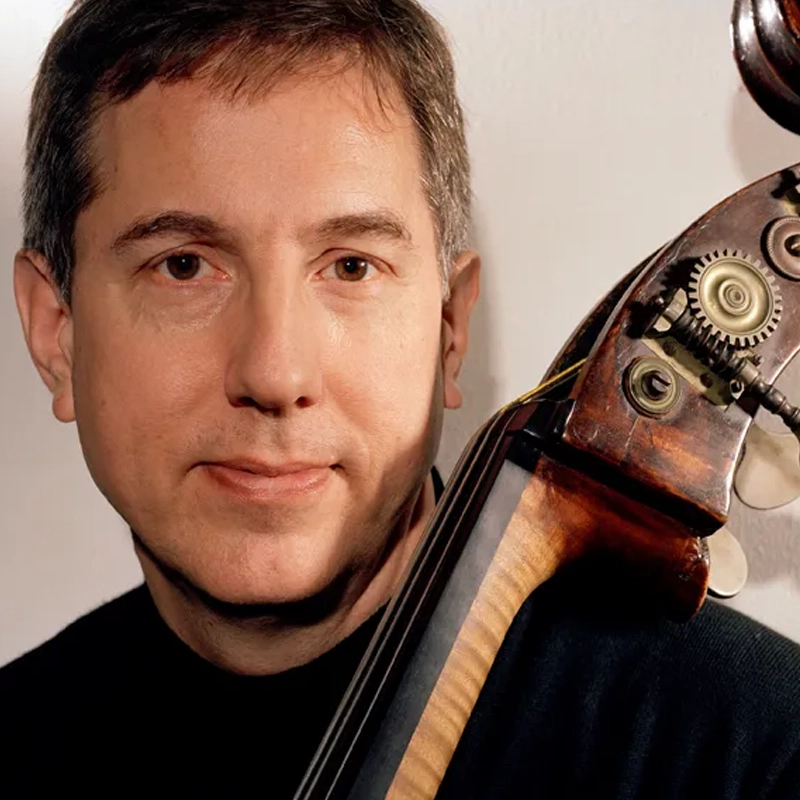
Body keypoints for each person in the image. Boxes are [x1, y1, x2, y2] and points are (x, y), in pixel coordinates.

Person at [3, 0, 800, 797]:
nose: (276, 375)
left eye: (351, 267)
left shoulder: (758, 755)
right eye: (183, 267)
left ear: (450, 327)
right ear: (55, 333)